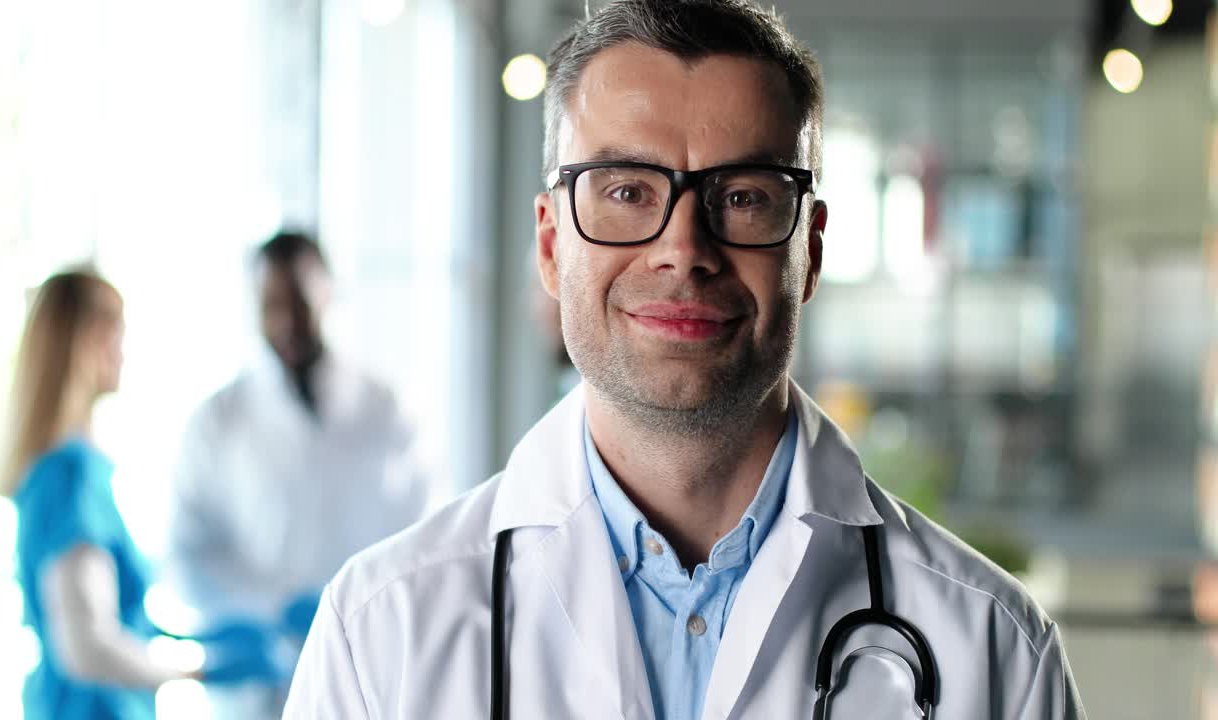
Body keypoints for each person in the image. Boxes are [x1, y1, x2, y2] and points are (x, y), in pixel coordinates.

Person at [284, 1, 1086, 718]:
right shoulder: (379, 636)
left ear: (807, 247)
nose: (682, 250)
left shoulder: (994, 651)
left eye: (742, 196)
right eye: (627, 190)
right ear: (551, 243)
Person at [0, 268, 284, 720]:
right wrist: (199, 671)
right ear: (84, 343)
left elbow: (104, 620)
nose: (124, 353)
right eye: (116, 335)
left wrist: (187, 642)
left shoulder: (72, 471)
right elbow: (86, 647)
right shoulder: (69, 476)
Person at [166, 231, 430, 718]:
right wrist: (269, 611)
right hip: (258, 690)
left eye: (301, 303)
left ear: (328, 293)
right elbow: (187, 553)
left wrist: (357, 607)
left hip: (373, 664)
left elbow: (426, 534)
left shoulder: (386, 409)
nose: (287, 321)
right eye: (272, 305)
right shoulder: (217, 420)